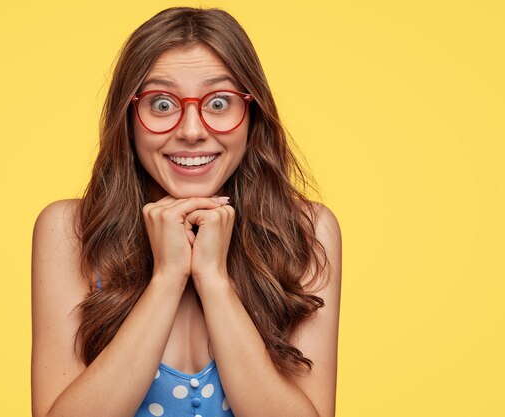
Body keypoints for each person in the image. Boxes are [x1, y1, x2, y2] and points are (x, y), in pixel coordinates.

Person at [31, 6, 342, 417]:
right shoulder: (69, 231)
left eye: (218, 102)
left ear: (251, 114)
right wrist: (167, 278)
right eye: (161, 104)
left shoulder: (307, 231)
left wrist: (213, 280)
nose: (192, 131)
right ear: (129, 117)